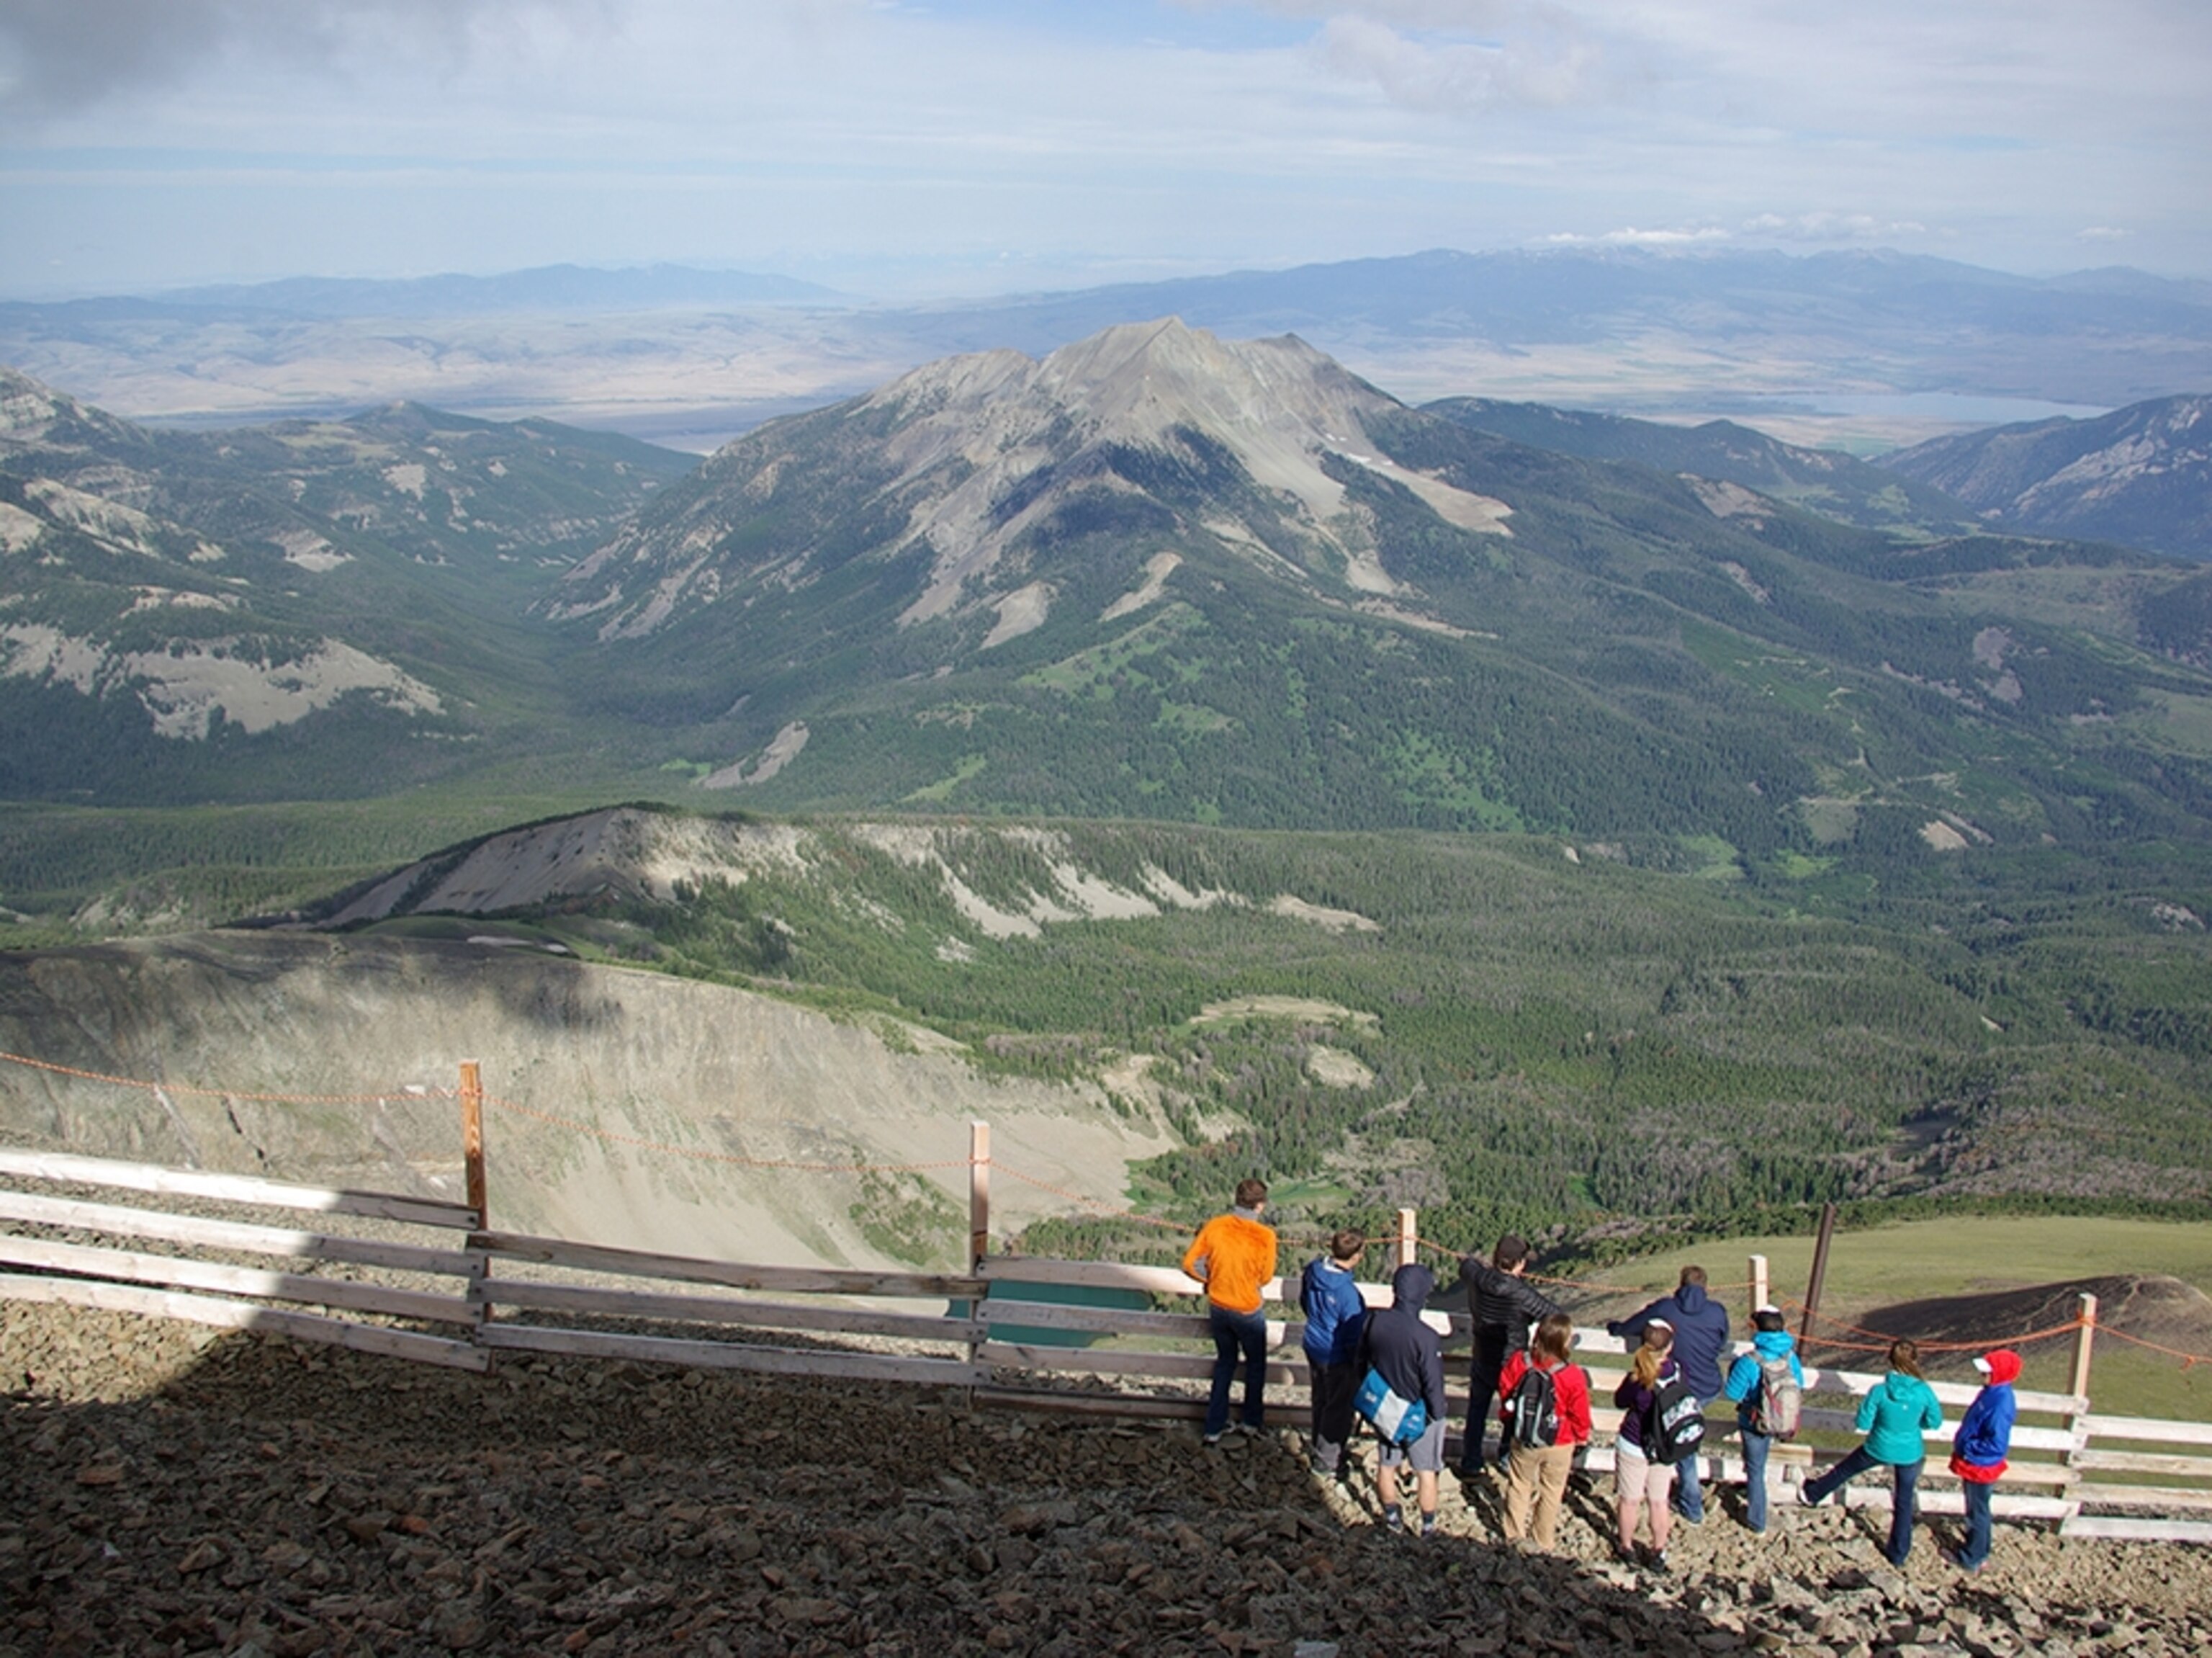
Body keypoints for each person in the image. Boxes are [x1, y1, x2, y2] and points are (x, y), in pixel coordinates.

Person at [1799, 1337, 1943, 1567]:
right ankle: (1898, 1553)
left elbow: (1864, 1422)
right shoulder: (1924, 1392)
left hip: (1879, 1445)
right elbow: (1935, 1421)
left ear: (1889, 1360)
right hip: (1910, 1450)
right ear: (1916, 1359)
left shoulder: (1879, 1391)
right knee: (1904, 1500)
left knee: (1844, 1470)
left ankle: (1814, 1493)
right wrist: (1914, 1426)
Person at [1608, 1266, 1730, 1525]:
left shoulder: (1666, 1308)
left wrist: (1617, 1328)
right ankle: (1682, 1498)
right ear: (1705, 1287)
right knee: (1683, 1437)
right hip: (1707, 1386)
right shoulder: (1717, 1312)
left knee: (1680, 1443)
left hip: (1674, 1389)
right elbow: (1721, 1343)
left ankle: (1691, 1503)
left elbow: (1636, 1325)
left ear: (1681, 1283)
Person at [1455, 1233, 1564, 1478]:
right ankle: (1506, 1458)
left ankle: (1471, 1460)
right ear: (1520, 1263)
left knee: (1477, 1410)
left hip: (1483, 1354)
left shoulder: (1478, 1277)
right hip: (1512, 1362)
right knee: (1513, 1413)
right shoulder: (1520, 1293)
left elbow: (1467, 1265)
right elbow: (1554, 1315)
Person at [1182, 1178, 1279, 1446]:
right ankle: (1251, 1422)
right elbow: (1267, 1277)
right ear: (1260, 1206)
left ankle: (1213, 1427)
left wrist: (1212, 1279)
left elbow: (1190, 1263)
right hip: (1247, 1309)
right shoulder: (1265, 1236)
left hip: (1219, 1305)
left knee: (1225, 1363)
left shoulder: (1215, 1226)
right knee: (1256, 1365)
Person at [1359, 1261, 1451, 1536]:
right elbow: (1432, 1382)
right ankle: (1428, 1527)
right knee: (1426, 1472)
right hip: (1418, 1412)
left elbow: (1362, 1359)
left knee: (1387, 1465)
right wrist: (1438, 1413)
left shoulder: (1374, 1321)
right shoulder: (1426, 1337)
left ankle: (1392, 1520)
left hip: (1386, 1408)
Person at [1496, 1311, 1593, 1553]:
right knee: (1551, 1491)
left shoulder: (1520, 1362)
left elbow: (1506, 1391)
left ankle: (1514, 1537)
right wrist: (1581, 1435)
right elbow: (1579, 1412)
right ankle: (1543, 1541)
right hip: (1560, 1440)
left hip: (1524, 1435)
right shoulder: (1572, 1375)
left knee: (1519, 1485)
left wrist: (1510, 1420)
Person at [1721, 1305, 1804, 1535]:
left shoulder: (1750, 1361)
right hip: (1782, 1419)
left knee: (1756, 1469)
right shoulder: (1790, 1357)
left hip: (1754, 1420)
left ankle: (1757, 1520)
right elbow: (1800, 1383)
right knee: (1761, 1463)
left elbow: (1732, 1393)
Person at [1611, 1321, 1682, 1571]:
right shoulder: (1675, 1372)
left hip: (1634, 1441)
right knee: (1659, 1501)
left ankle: (1626, 1546)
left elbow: (1620, 1401)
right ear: (1669, 1347)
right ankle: (1659, 1549)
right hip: (1663, 1445)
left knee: (1630, 1500)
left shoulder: (1638, 1377)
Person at [1299, 1229, 1369, 1479]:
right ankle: (1328, 1460)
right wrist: (1359, 1361)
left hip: (1314, 1343)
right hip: (1336, 1353)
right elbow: (1353, 1334)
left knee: (1321, 1398)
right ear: (1357, 1256)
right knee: (1338, 1407)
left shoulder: (1313, 1271)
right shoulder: (1348, 1294)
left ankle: (1319, 1446)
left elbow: (1304, 1301)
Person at [1947, 1348, 2021, 1572]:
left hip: (1980, 1464)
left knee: (1977, 1512)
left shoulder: (1999, 1402)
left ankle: (1972, 1557)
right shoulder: (1994, 1392)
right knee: (1979, 1509)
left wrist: (1968, 1448)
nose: (1983, 1375)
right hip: (1978, 1462)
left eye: (1988, 1371)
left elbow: (1997, 1444)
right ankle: (1980, 1551)